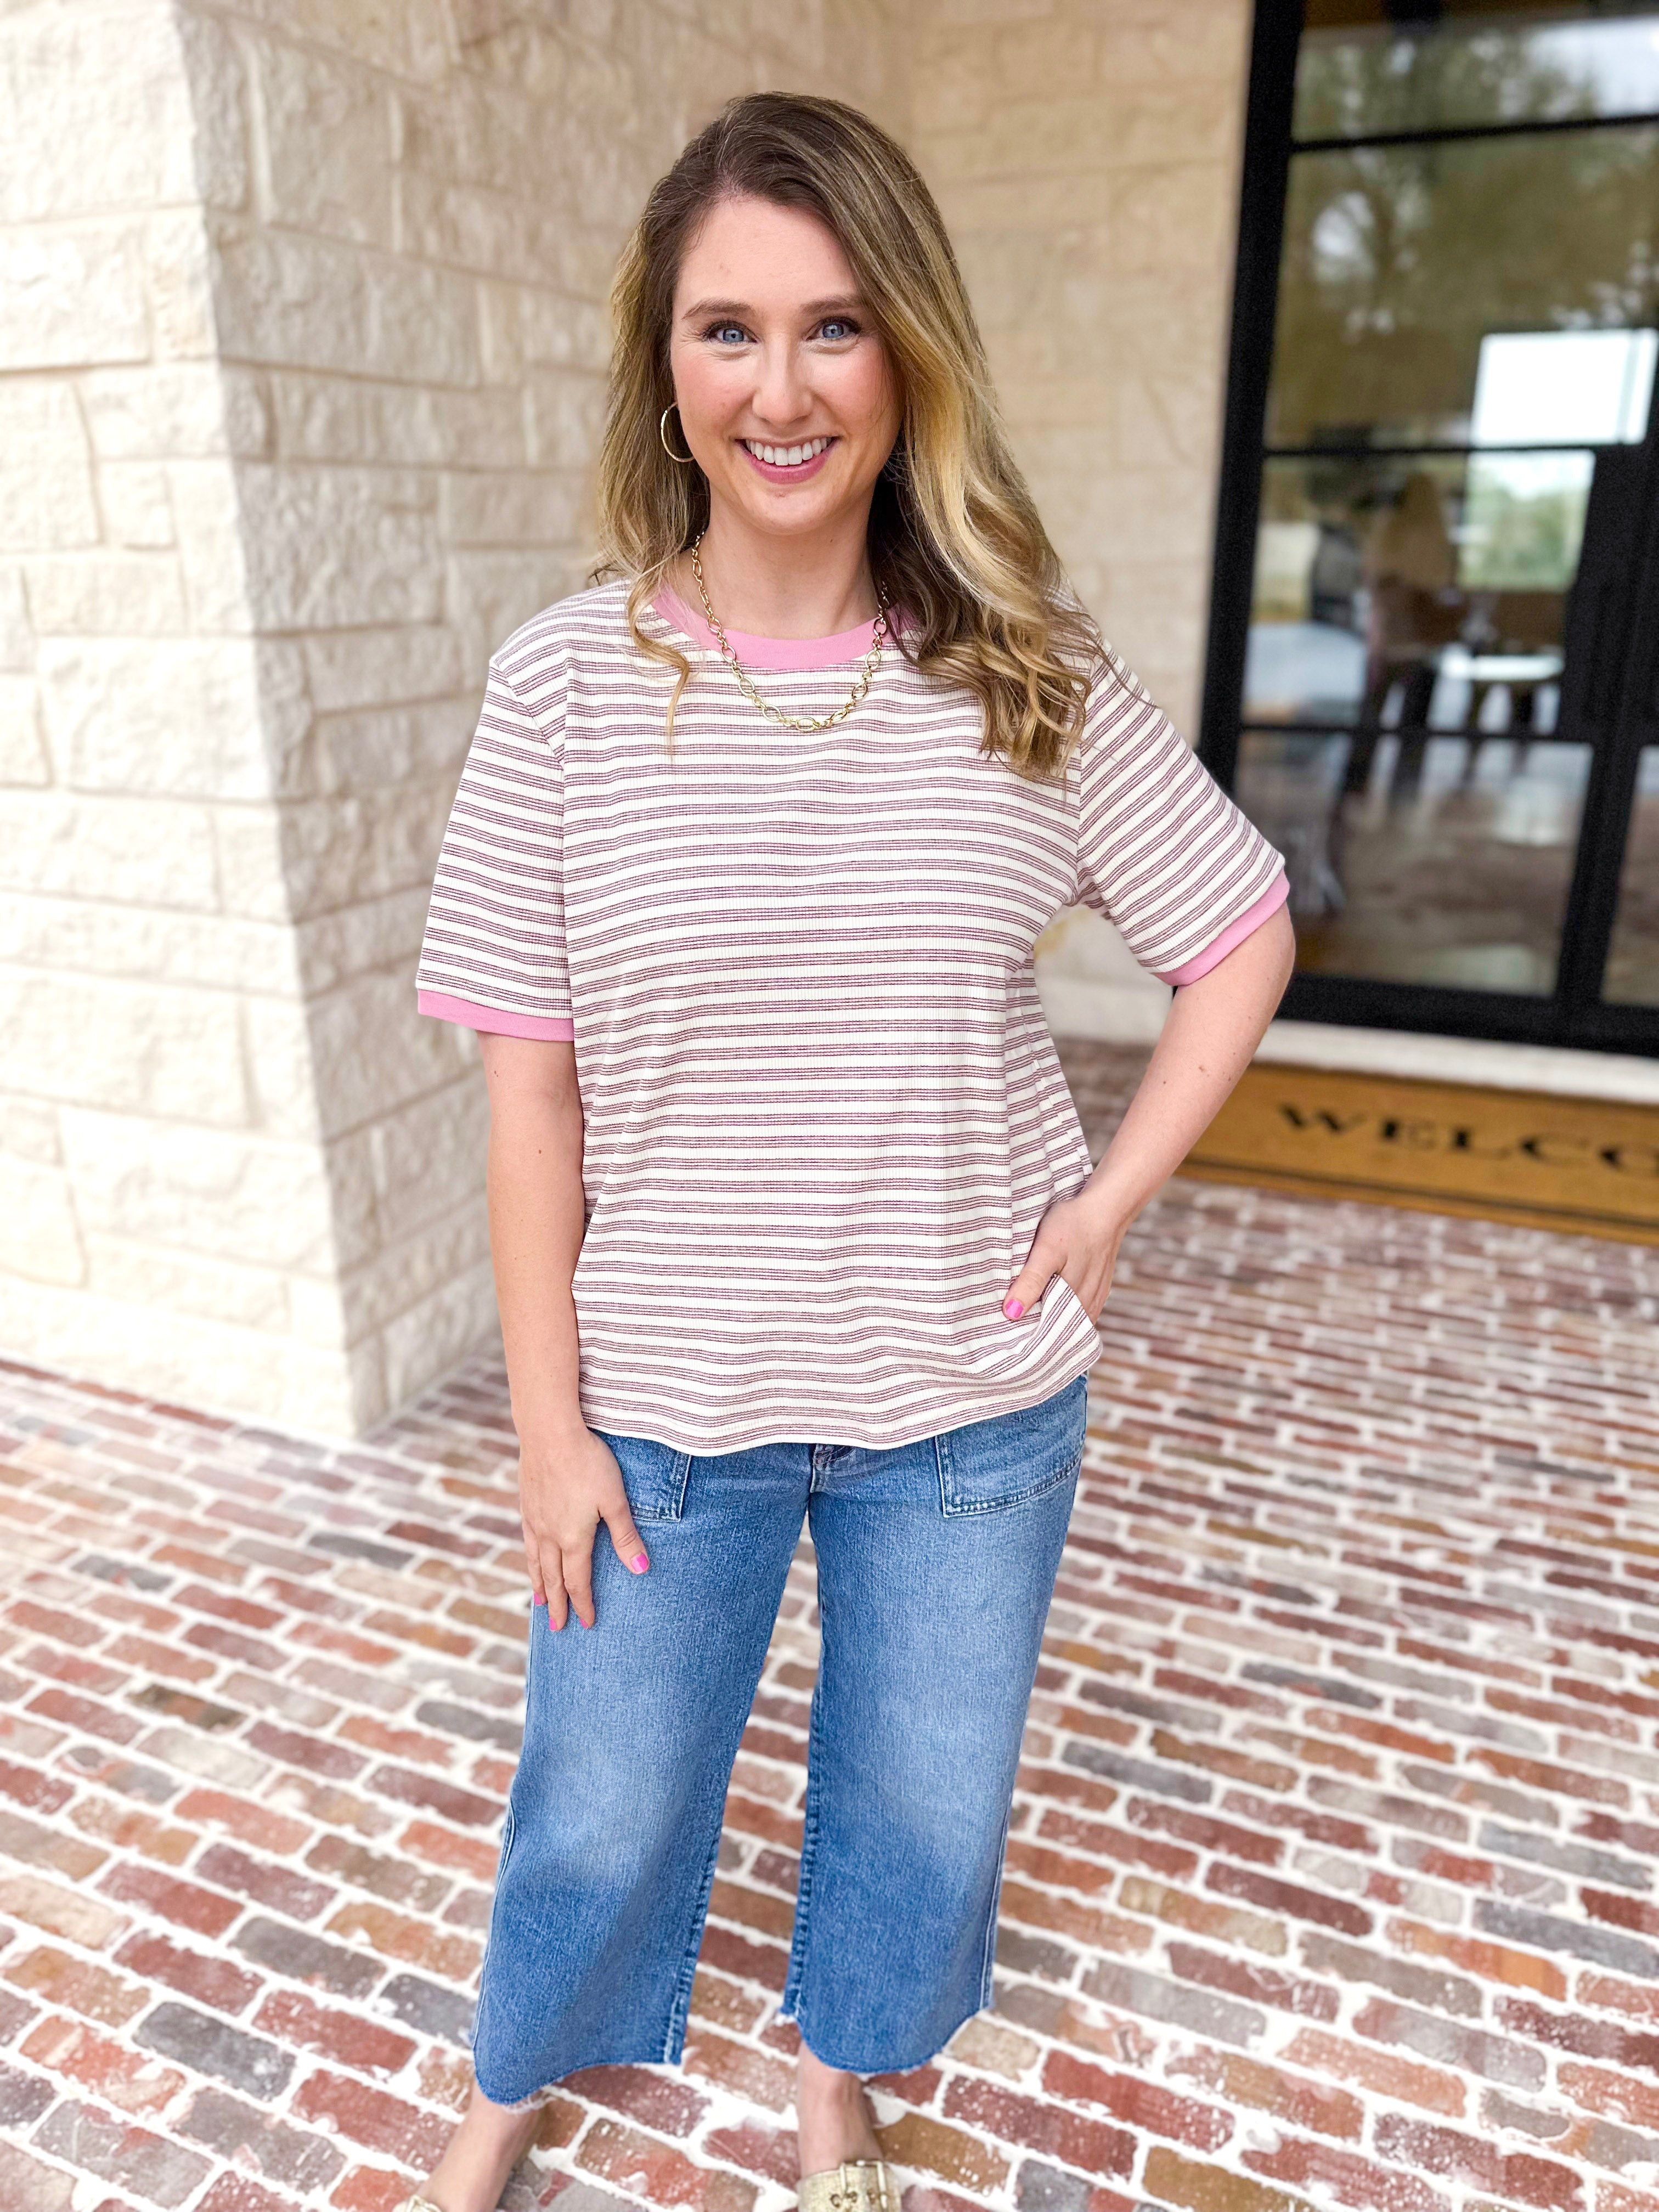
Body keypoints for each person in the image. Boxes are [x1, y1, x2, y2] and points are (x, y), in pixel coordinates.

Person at [400, 91, 1295, 2212]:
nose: (782, 389)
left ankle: (837, 2089)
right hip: (664, 1407)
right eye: (728, 332)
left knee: (917, 1822)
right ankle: (513, 2080)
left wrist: (1102, 1202)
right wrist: (546, 1420)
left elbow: (1238, 936)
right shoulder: (562, 690)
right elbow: (528, 1088)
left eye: (832, 328)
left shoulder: (1026, 671)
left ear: (907, 352)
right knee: (600, 1811)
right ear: (667, 369)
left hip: (964, 1409)